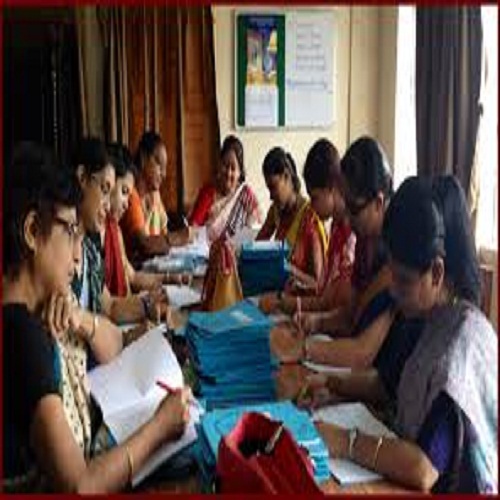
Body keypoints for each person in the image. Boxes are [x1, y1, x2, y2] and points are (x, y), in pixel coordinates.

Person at [3, 150, 191, 493]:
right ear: (31, 231)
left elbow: (115, 341)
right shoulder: (20, 334)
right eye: (70, 232)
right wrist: (159, 428)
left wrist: (80, 318)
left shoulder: (42, 307)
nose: (77, 254)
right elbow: (81, 486)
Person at [301, 176, 497, 493]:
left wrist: (346, 442)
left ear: (437, 272)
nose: (393, 289)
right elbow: (388, 385)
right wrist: (332, 385)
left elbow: (424, 468)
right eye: (391, 274)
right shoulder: (425, 315)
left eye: (403, 279)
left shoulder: (462, 345)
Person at [295, 137, 396, 368]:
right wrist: (317, 322)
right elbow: (352, 314)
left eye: (354, 210)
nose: (347, 220)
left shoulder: (398, 255)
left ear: (379, 202)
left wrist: (302, 348)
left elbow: (363, 352)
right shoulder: (363, 243)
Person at [259, 140, 355, 313]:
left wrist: (286, 297)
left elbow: (325, 293)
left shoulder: (313, 221)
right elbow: (325, 289)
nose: (271, 196)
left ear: (333, 187)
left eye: (315, 197)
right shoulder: (336, 226)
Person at [104, 143, 190, 298]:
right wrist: (145, 305)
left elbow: (132, 276)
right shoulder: (95, 238)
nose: (126, 204)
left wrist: (170, 279)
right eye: (124, 192)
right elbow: (145, 244)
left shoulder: (114, 229)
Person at [120, 132, 189, 263]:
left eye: (165, 168)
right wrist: (178, 237)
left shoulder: (154, 195)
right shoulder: (130, 195)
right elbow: (144, 245)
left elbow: (164, 235)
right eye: (159, 165)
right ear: (143, 158)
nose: (164, 174)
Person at [188, 135, 262, 242]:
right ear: (219, 165)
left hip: (237, 250)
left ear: (240, 172)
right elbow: (193, 229)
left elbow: (257, 226)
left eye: (233, 168)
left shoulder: (245, 194)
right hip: (208, 250)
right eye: (225, 165)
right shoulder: (208, 193)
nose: (228, 173)